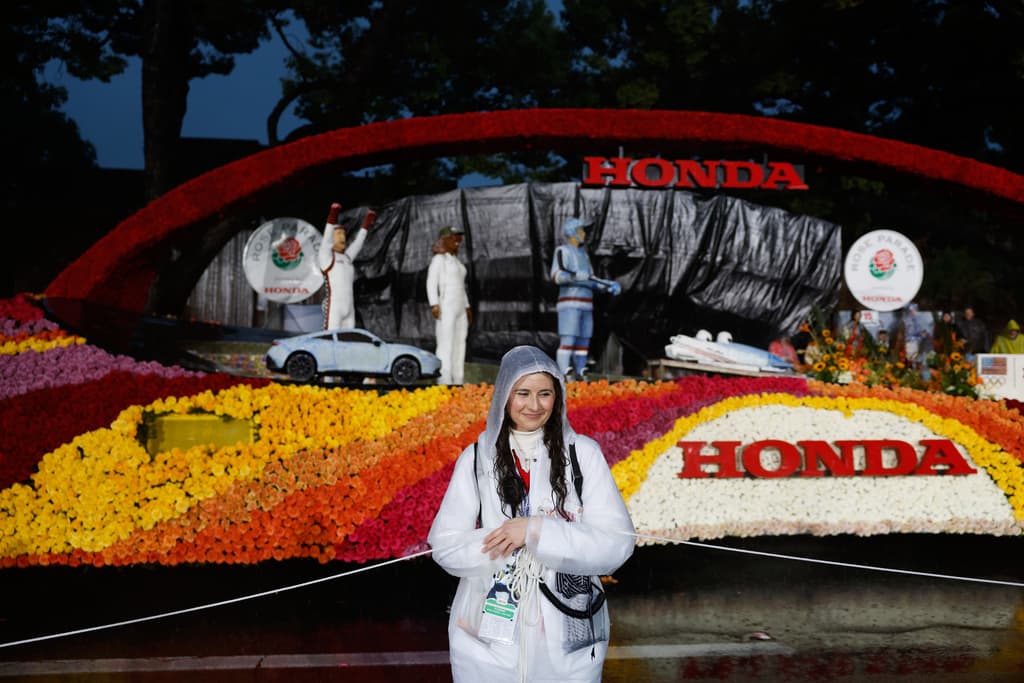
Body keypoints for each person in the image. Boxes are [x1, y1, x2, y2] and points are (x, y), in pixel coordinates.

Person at [428, 345, 635, 683]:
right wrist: (505, 544)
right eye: (523, 393)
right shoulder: (477, 457)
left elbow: (617, 545)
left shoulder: (583, 454)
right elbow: (445, 545)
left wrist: (538, 532)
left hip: (570, 632)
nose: (534, 405)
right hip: (488, 632)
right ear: (505, 396)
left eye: (544, 394)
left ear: (558, 398)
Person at [549, 217, 621, 380]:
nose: (584, 234)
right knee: (569, 337)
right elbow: (556, 275)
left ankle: (581, 369)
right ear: (572, 233)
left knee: (584, 338)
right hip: (570, 304)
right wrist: (574, 277)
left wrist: (605, 285)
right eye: (581, 230)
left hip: (586, 304)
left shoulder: (584, 255)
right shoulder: (562, 251)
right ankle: (564, 370)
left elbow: (591, 279)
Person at [317, 202, 376, 330]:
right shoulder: (327, 257)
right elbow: (326, 239)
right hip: (334, 309)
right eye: (338, 234)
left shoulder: (347, 258)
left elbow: (358, 243)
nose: (342, 237)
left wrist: (366, 225)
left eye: (343, 234)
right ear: (332, 239)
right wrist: (333, 215)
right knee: (331, 342)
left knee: (348, 342)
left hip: (350, 309)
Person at [427, 225, 473, 385]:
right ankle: (444, 379)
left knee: (460, 341)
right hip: (446, 305)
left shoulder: (457, 263)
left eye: (458, 238)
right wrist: (434, 303)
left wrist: (466, 306)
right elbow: (431, 282)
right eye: (454, 238)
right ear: (445, 240)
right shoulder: (439, 260)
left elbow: (461, 287)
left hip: (460, 306)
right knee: (446, 342)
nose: (457, 241)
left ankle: (458, 378)